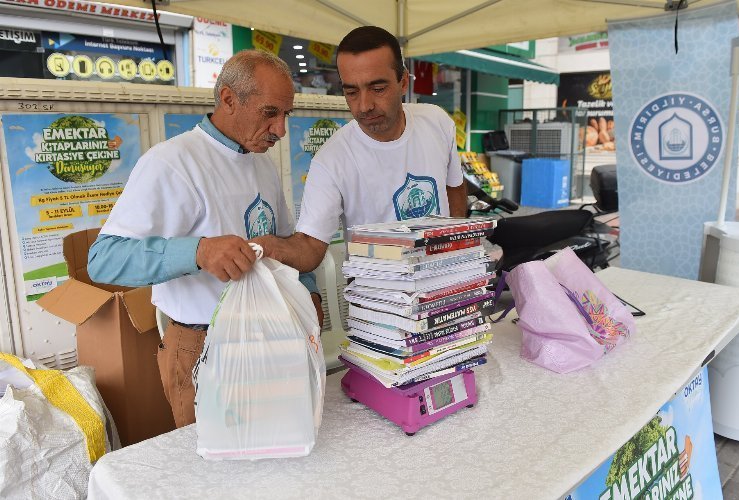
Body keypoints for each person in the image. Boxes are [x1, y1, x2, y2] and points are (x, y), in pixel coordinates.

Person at [87, 50, 322, 428]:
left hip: (271, 337)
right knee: (215, 474)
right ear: (229, 99)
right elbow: (104, 259)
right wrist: (197, 251)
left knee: (276, 454)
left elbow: (283, 244)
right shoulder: (171, 163)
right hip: (202, 346)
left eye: (286, 115)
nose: (280, 129)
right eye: (269, 113)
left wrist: (308, 291)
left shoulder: (263, 165)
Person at [255, 25, 467, 272]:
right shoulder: (332, 160)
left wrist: (458, 241)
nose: (364, 106)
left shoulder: (436, 121)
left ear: (403, 82)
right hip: (379, 300)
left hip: (445, 285)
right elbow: (310, 248)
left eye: (378, 89)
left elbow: (454, 186)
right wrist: (271, 247)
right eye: (352, 92)